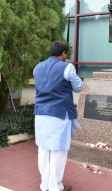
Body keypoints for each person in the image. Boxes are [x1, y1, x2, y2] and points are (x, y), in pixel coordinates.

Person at [33, 41, 83, 191]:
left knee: (43, 150)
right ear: (63, 54)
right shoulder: (67, 67)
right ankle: (55, 187)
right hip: (59, 114)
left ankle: (45, 185)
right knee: (58, 151)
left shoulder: (37, 67)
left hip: (41, 114)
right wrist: (67, 67)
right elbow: (79, 87)